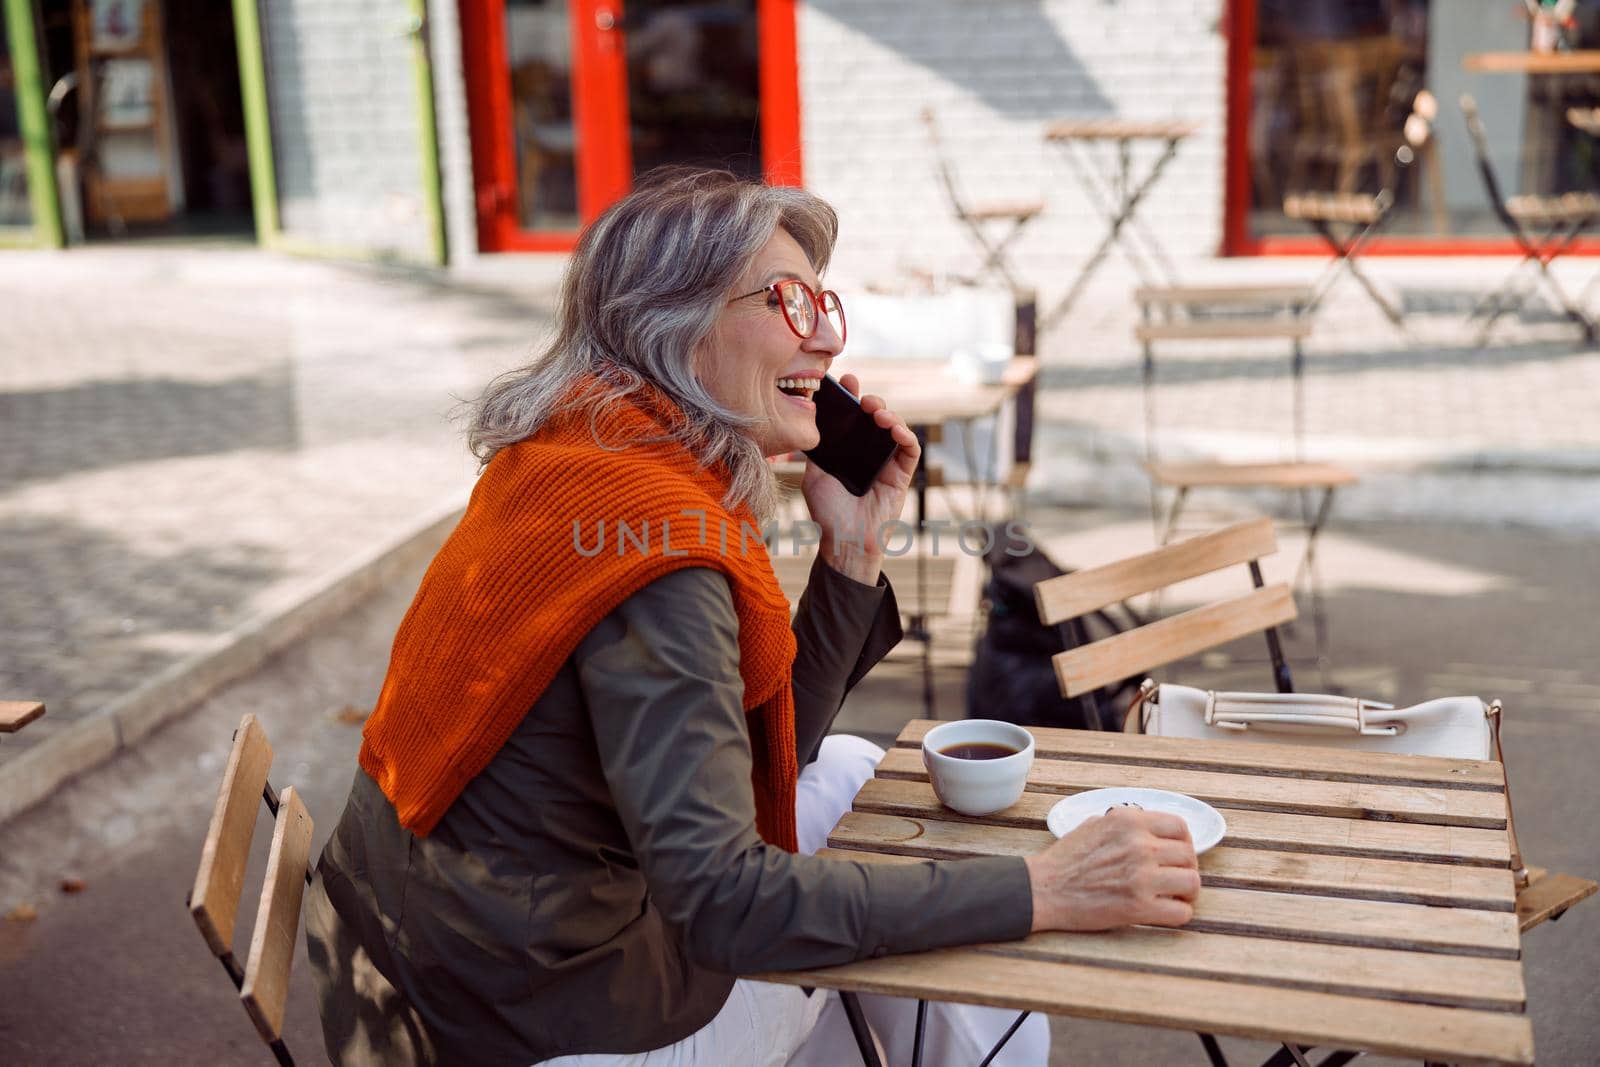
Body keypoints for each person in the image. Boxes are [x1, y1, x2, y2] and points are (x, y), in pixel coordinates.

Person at [304, 168, 1201, 1067]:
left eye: (825, 304)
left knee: (855, 769)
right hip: (552, 1020)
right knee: (961, 954)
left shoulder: (577, 454)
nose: (826, 339)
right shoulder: (659, 554)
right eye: (788, 302)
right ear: (676, 324)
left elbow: (758, 758)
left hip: (472, 959)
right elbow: (726, 904)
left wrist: (851, 551)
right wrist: (1041, 889)